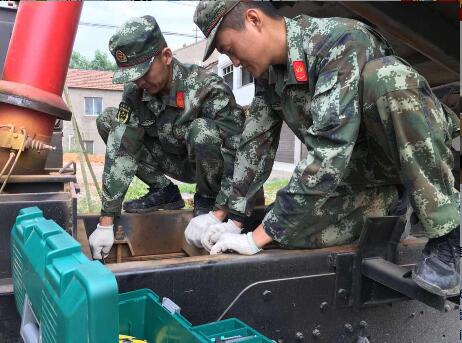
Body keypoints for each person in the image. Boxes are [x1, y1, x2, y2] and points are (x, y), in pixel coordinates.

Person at [192, 1, 460, 297]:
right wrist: (229, 218)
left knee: (388, 79)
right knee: (286, 233)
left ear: (254, 20)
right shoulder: (269, 75)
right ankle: (390, 205)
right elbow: (253, 146)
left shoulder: (337, 41)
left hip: (405, 154)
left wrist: (255, 238)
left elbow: (329, 152)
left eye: (230, 49)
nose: (235, 62)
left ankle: (447, 236)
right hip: (359, 175)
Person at [89, 15, 247, 260]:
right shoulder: (134, 92)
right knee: (110, 121)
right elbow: (122, 149)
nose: (139, 82)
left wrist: (219, 211)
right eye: (133, 76)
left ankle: (205, 199)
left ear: (166, 56)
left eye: (143, 72)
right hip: (168, 157)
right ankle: (164, 191)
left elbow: (239, 152)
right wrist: (105, 222)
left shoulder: (207, 87)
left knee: (202, 130)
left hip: (207, 166)